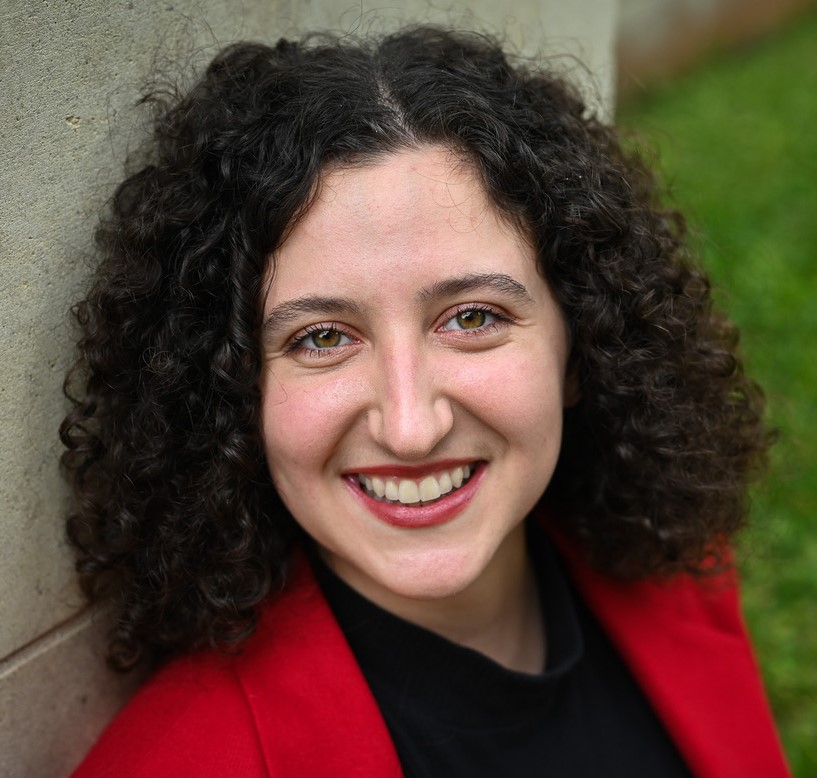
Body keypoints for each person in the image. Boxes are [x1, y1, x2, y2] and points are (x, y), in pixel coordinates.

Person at [61, 27, 789, 777]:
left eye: (471, 318)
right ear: (230, 389)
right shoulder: (179, 762)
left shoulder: (682, 580)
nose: (410, 429)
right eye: (321, 338)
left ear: (582, 342)